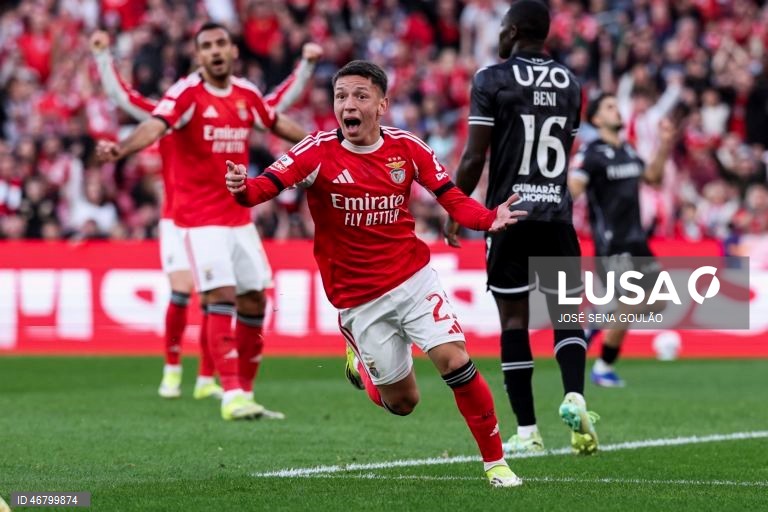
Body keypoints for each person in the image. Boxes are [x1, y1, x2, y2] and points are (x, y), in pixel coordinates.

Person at [225, 60, 526, 487]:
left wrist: (487, 217)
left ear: (381, 105)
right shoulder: (315, 152)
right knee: (403, 403)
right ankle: (361, 361)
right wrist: (242, 187)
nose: (349, 105)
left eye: (360, 96)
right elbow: (262, 188)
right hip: (359, 299)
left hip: (413, 278)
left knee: (455, 360)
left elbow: (451, 196)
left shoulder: (407, 148)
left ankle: (496, 463)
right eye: (341, 96)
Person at [89, 30, 322, 401]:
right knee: (194, 293)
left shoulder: (244, 95)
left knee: (244, 297)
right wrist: (120, 147)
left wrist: (319, 140)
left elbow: (273, 110)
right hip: (184, 217)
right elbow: (131, 106)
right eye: (206, 47)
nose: (214, 53)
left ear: (233, 50)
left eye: (220, 45)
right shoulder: (178, 101)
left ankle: (210, 380)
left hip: (236, 213)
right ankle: (176, 371)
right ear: (196, 57)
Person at [444, 0, 598, 455]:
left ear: (510, 30)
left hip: (509, 215)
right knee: (567, 314)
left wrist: (457, 206)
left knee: (514, 320)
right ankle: (574, 395)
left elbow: (475, 157)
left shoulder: (491, 78)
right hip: (556, 215)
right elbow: (564, 150)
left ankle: (528, 432)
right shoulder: (572, 84)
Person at [568, 92, 676, 387]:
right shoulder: (591, 153)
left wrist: (666, 143)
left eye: (618, 106)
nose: (618, 111)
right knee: (634, 299)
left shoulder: (627, 150)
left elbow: (652, 177)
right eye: (610, 107)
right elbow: (574, 187)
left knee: (660, 303)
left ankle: (596, 318)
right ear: (597, 119)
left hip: (637, 241)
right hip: (612, 243)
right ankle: (603, 367)